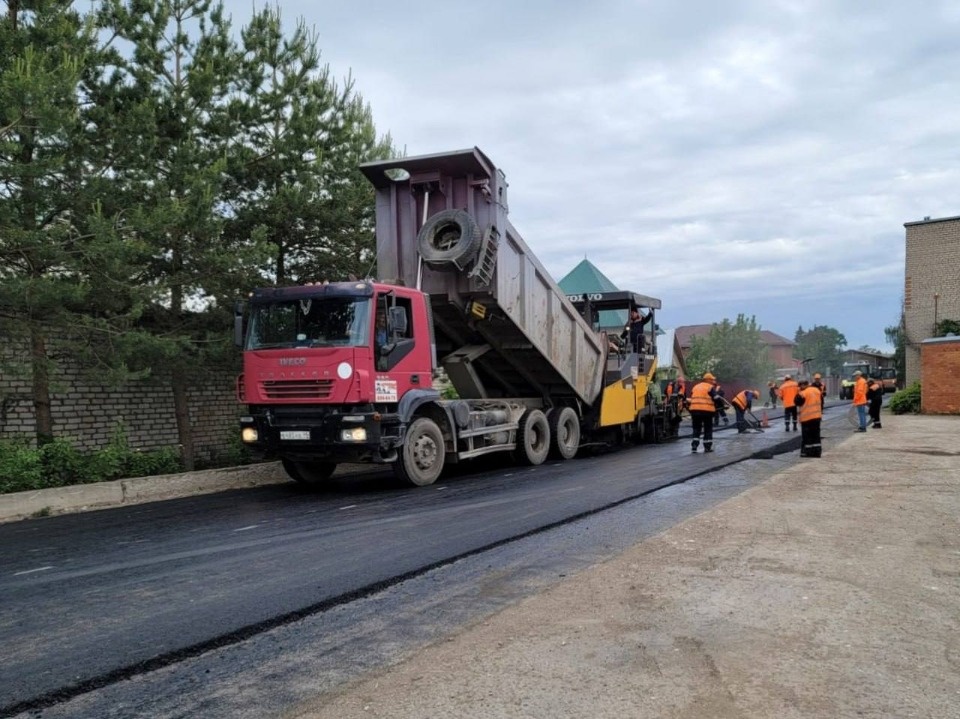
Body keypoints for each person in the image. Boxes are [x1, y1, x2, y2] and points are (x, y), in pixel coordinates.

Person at [686, 372, 718, 453]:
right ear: (708, 380)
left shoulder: (695, 387)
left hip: (695, 411)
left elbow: (692, 398)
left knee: (696, 428)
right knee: (708, 429)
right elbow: (716, 398)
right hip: (706, 411)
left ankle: (694, 446)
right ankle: (707, 447)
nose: (713, 381)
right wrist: (720, 405)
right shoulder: (710, 387)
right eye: (712, 380)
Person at [794, 377, 823, 457]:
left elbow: (797, 402)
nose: (800, 388)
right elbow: (821, 402)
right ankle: (817, 452)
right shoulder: (817, 390)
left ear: (804, 385)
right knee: (816, 435)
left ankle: (808, 452)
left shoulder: (803, 393)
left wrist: (798, 392)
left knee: (807, 436)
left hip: (807, 418)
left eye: (800, 386)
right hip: (817, 417)